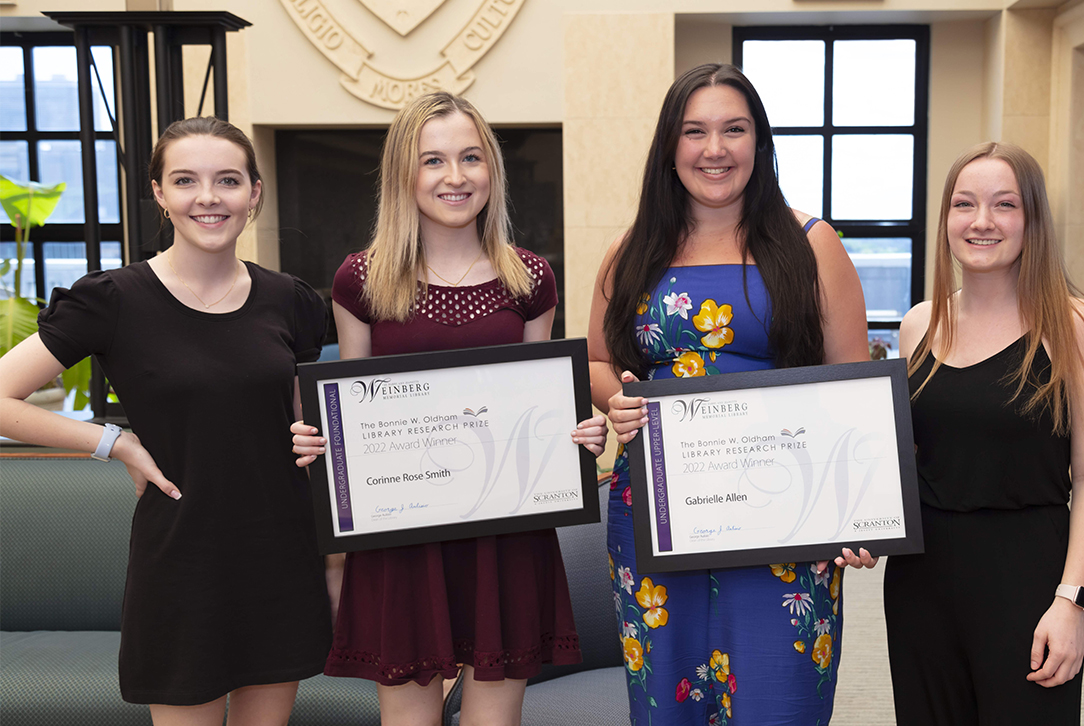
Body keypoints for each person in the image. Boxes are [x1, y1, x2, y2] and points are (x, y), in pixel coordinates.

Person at [288, 91, 607, 726]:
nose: (455, 177)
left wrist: (576, 434)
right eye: (433, 161)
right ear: (404, 174)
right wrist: (322, 443)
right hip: (402, 533)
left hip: (505, 533)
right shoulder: (362, 279)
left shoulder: (530, 278)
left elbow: (535, 406)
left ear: (493, 168)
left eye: (470, 157)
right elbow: (351, 401)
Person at [0, 117, 332, 724]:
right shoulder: (112, 299)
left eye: (227, 180)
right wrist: (116, 443)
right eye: (186, 180)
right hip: (182, 558)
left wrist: (316, 438)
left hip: (280, 553)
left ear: (254, 192)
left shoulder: (292, 299)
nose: (208, 197)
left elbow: (300, 418)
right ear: (159, 193)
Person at [588, 63, 876, 726]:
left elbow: (852, 393)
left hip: (785, 520)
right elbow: (601, 362)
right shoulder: (628, 251)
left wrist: (860, 515)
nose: (714, 149)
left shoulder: (812, 244)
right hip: (656, 517)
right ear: (669, 146)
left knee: (779, 701)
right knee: (668, 705)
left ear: (760, 142)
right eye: (695, 131)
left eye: (733, 129)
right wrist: (617, 400)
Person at [869, 141, 1084, 724]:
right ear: (946, 220)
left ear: (1031, 219)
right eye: (964, 204)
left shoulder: (1077, 325)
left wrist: (1072, 603)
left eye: (1003, 204)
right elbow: (904, 463)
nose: (981, 221)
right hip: (921, 583)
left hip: (1028, 579)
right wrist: (861, 524)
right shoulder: (919, 324)